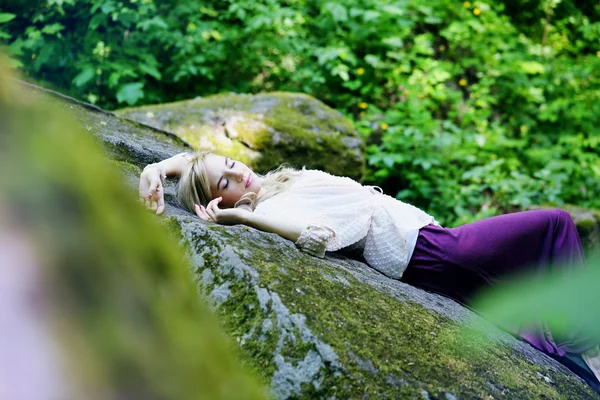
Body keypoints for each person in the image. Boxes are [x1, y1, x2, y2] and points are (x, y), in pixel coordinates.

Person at [139, 151, 600, 392]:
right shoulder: (277, 206)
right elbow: (316, 234)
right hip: (434, 250)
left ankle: (572, 344)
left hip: (431, 245)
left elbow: (195, 160)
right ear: (220, 200)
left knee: (510, 298)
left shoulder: (276, 184)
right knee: (555, 224)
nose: (241, 175)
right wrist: (244, 217)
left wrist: (158, 167)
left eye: (234, 165)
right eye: (228, 183)